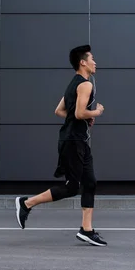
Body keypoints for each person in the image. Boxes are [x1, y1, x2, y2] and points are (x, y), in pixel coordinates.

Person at [14, 45, 107, 247]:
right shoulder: (85, 84)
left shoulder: (73, 83)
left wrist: (81, 120)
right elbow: (79, 113)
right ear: (83, 62)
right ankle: (27, 203)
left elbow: (59, 110)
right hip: (73, 142)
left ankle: (87, 230)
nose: (95, 62)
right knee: (72, 187)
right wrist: (96, 112)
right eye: (92, 58)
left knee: (90, 182)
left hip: (77, 140)